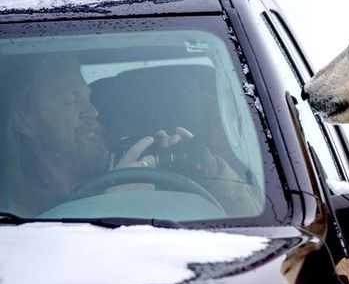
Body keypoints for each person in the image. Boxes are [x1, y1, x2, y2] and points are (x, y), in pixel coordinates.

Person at [1, 55, 261, 216]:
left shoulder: (137, 167)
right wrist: (118, 203)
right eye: (71, 101)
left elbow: (256, 223)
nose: (91, 112)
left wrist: (209, 171)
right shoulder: (12, 206)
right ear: (26, 119)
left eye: (87, 98)